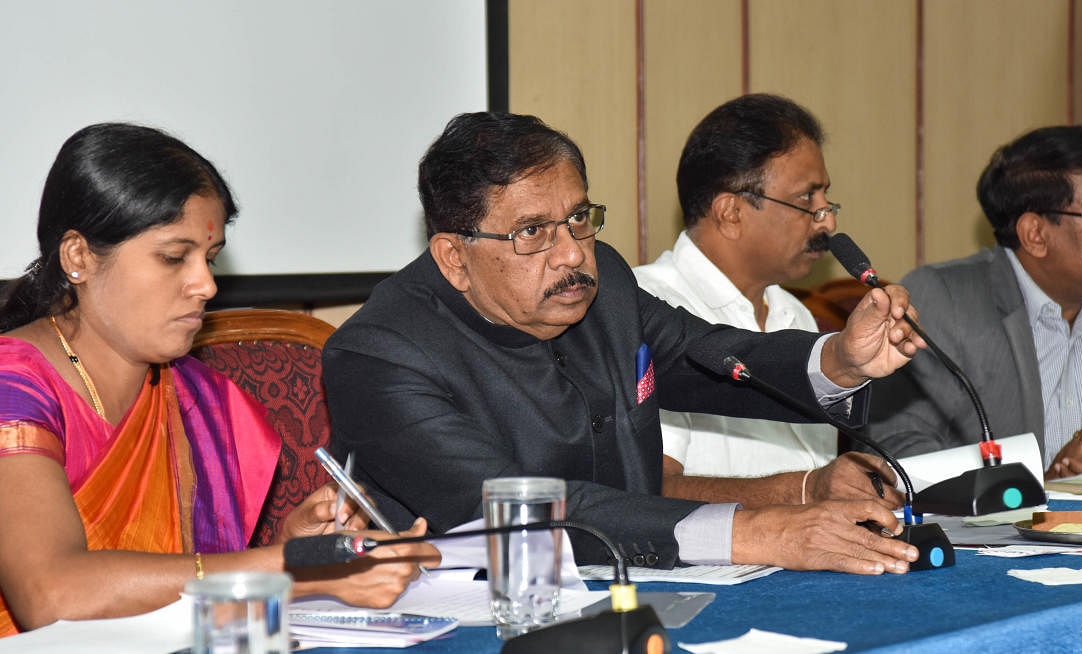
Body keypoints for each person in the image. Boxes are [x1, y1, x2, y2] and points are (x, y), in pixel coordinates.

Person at [324, 111, 926, 577]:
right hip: (474, 612)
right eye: (533, 232)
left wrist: (840, 359)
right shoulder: (379, 355)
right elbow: (520, 513)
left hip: (642, 584)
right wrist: (762, 532)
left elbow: (714, 356)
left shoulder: (602, 283)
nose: (571, 253)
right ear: (455, 257)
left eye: (579, 218)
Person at [0, 123, 439, 636]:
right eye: (172, 257)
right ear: (78, 257)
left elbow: (175, 580)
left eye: (209, 258)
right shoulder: (15, 387)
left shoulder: (195, 396)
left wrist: (286, 545)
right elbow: (51, 597)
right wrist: (299, 567)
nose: (206, 284)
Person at [868, 125, 1082, 479]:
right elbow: (898, 447)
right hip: (985, 533)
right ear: (1036, 234)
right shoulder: (946, 299)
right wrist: (1034, 485)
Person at [634, 94, 897, 509]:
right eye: (806, 199)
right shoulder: (644, 308)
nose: (828, 220)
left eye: (826, 199)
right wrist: (807, 491)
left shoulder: (795, 314)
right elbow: (648, 491)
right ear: (730, 212)